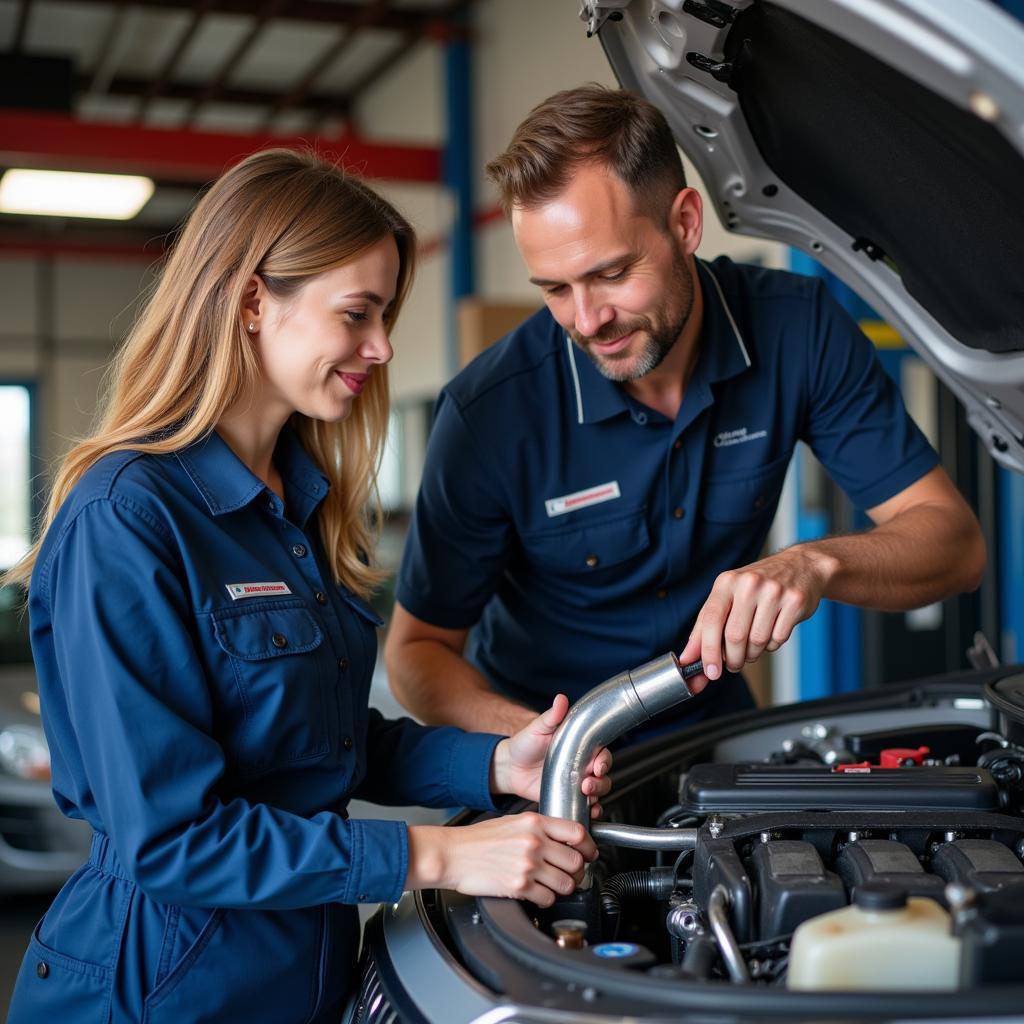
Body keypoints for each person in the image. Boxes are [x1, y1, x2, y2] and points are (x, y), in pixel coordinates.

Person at [3, 149, 611, 1024]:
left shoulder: (298, 505)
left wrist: (491, 764)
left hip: (303, 969)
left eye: (385, 315)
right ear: (254, 301)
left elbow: (316, 745)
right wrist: (435, 856)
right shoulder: (126, 519)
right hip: (162, 986)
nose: (382, 347)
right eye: (357, 314)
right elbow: (171, 839)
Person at [384, 84, 986, 740]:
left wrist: (814, 563)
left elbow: (955, 546)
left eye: (612, 274)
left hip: (707, 734)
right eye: (556, 288)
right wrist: (541, 745)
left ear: (685, 224)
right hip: (539, 753)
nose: (587, 321)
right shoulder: (488, 413)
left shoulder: (798, 329)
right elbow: (417, 656)